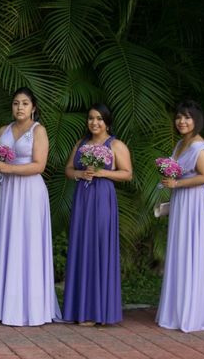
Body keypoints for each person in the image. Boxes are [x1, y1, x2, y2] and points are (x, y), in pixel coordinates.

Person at [0, 88, 61, 326]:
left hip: (30, 191)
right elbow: (0, 159)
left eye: (25, 103)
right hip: (9, 191)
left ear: (33, 108)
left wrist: (8, 169)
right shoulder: (2, 130)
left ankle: (33, 307)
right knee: (10, 240)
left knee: (29, 242)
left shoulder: (38, 131)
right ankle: (6, 306)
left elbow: (39, 165)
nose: (20, 107)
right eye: (16, 103)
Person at [62, 103, 132, 325]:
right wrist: (81, 173)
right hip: (82, 199)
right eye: (91, 118)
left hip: (102, 198)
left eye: (99, 119)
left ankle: (98, 311)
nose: (94, 122)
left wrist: (102, 172)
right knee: (82, 246)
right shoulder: (81, 143)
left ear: (107, 122)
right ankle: (79, 309)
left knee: (99, 247)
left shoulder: (116, 145)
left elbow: (128, 174)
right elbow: (68, 170)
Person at [156, 100, 204, 332]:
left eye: (187, 117)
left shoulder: (198, 146)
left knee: (192, 250)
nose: (182, 121)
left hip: (193, 202)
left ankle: (193, 312)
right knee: (180, 250)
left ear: (196, 120)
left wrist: (177, 182)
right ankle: (177, 308)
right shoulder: (182, 143)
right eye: (179, 117)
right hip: (181, 200)